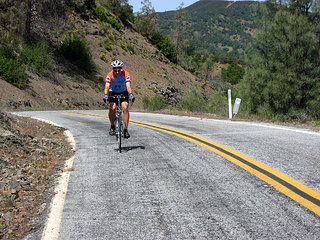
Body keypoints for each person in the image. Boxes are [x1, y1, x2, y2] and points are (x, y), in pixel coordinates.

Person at [103, 60, 135, 138]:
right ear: (113, 69)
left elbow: (128, 86)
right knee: (112, 108)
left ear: (121, 69)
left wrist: (130, 94)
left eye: (119, 70)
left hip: (123, 92)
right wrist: (106, 95)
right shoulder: (110, 74)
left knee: (125, 108)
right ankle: (112, 126)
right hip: (113, 92)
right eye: (115, 70)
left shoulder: (125, 74)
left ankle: (125, 129)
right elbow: (107, 86)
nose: (117, 72)